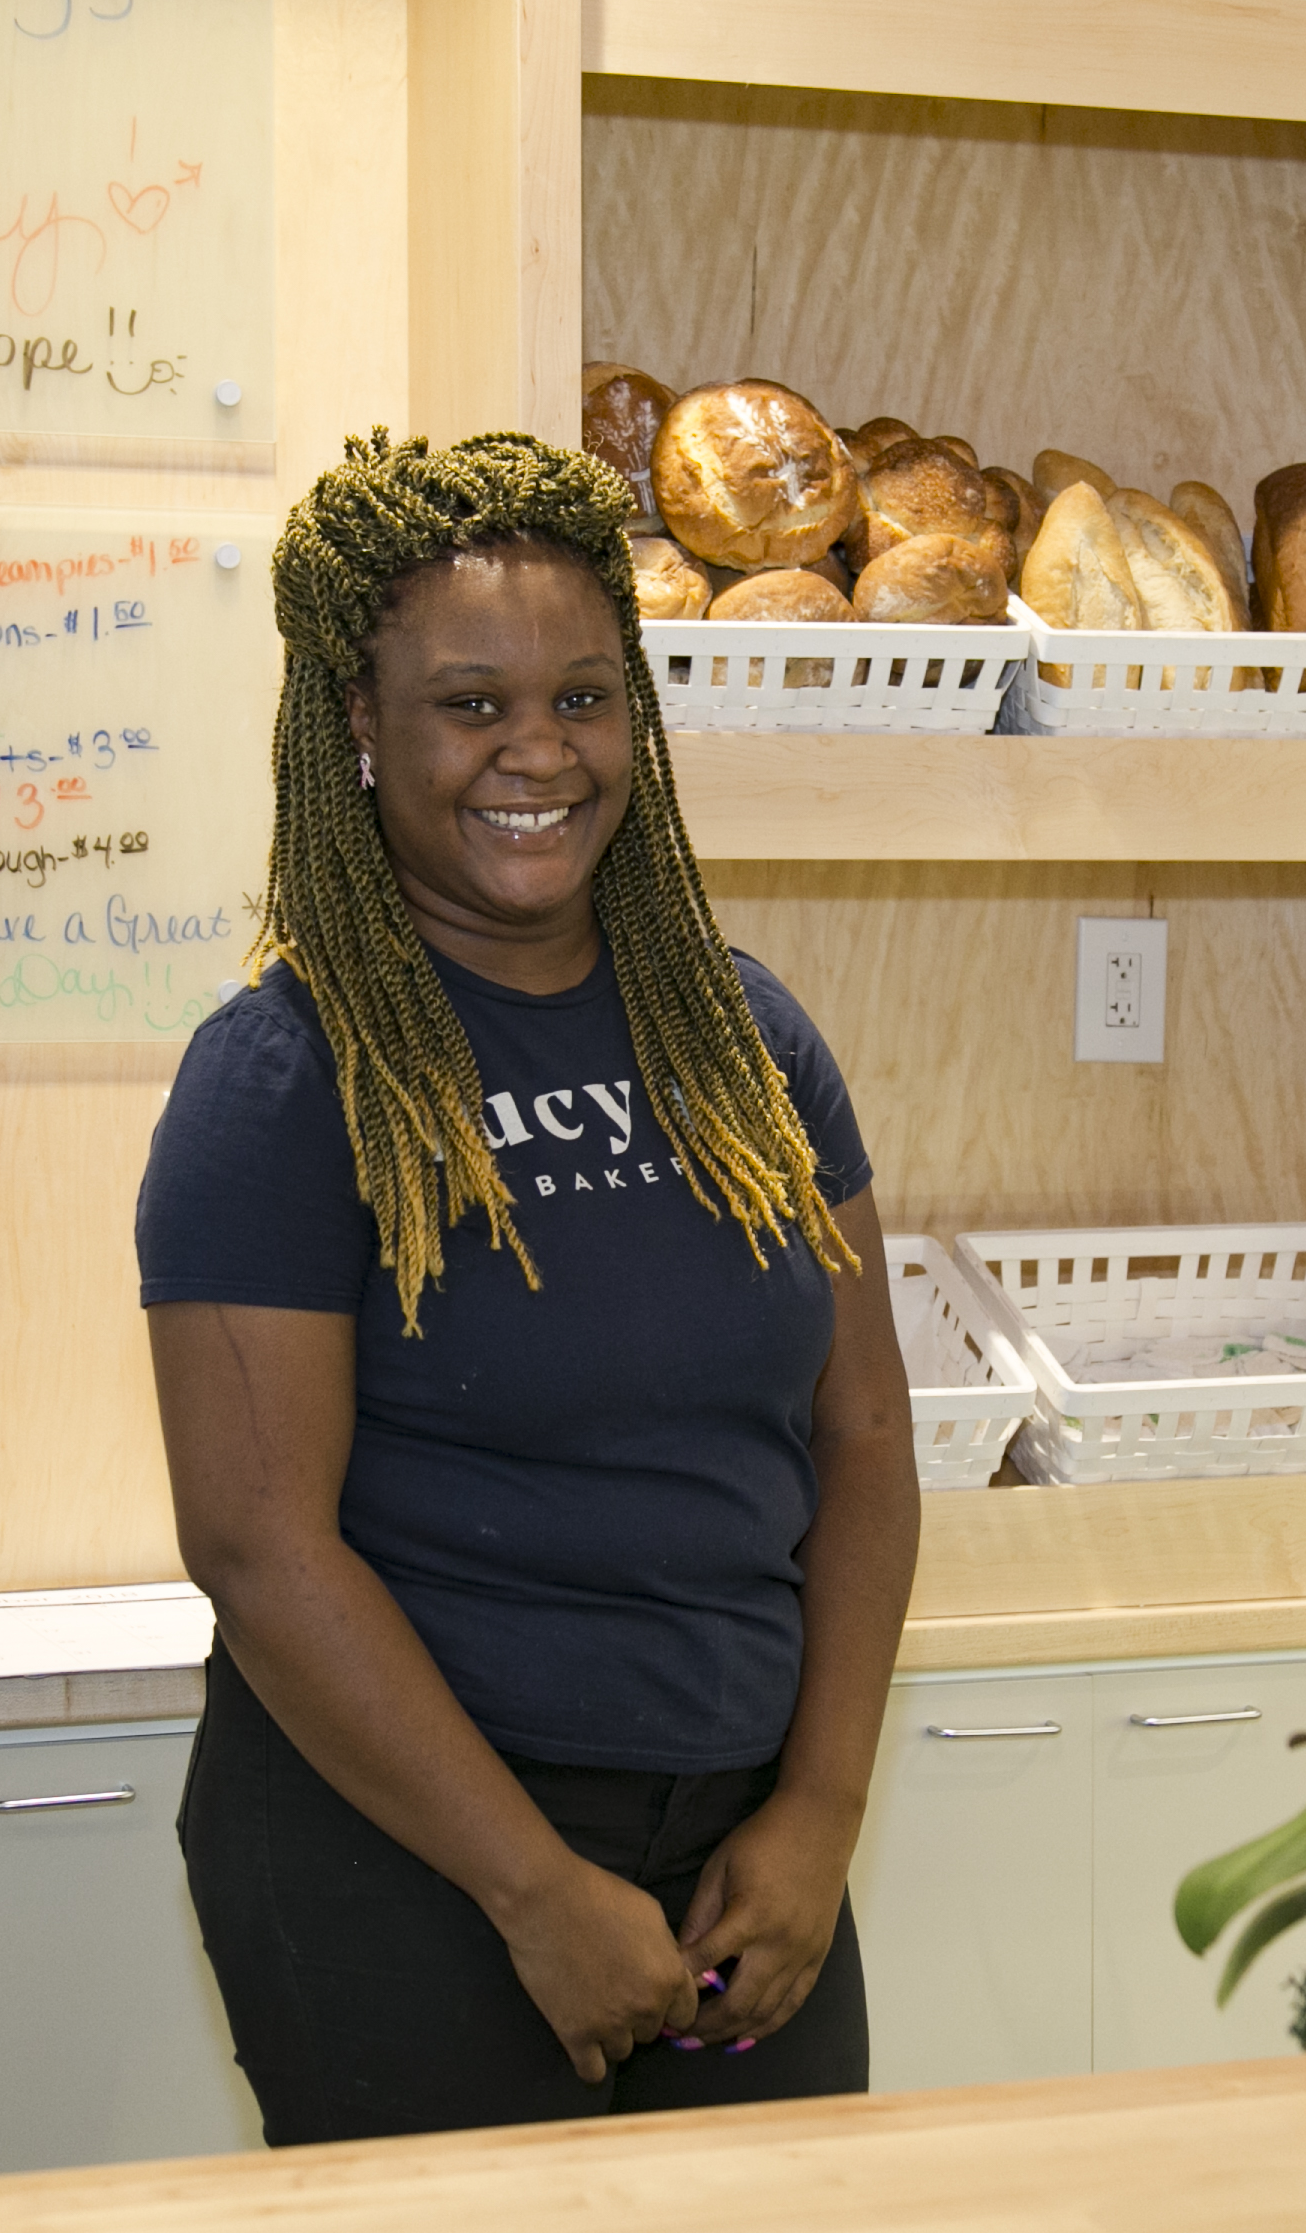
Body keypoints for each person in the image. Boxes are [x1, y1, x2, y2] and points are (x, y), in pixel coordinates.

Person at [134, 429, 918, 2143]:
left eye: (582, 697)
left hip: (743, 1856)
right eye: (470, 704)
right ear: (356, 725)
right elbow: (260, 1544)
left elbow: (861, 1432)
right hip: (406, 1857)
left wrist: (820, 1809)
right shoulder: (285, 1076)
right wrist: (530, 1890)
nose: (537, 752)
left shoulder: (743, 1034)